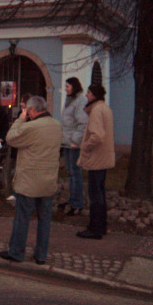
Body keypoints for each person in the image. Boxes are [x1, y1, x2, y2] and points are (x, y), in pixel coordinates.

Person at [0, 96, 62, 265]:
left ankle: (16, 252)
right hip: (48, 181)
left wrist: (20, 120)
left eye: (27, 110)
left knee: (22, 218)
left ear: (32, 110)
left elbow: (11, 138)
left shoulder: (31, 127)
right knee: (44, 220)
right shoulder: (56, 126)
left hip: (29, 181)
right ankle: (41, 255)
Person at [76, 84, 115, 240]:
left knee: (95, 195)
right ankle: (101, 225)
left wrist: (85, 146)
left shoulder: (97, 111)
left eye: (89, 92)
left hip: (96, 158)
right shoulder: (104, 108)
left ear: (95, 95)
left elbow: (97, 136)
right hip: (103, 157)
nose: (86, 95)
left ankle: (95, 228)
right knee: (100, 192)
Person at [59, 77, 88, 216]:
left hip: (73, 144)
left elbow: (83, 123)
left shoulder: (80, 101)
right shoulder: (70, 100)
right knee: (71, 173)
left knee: (75, 173)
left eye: (68, 86)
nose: (66, 89)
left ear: (74, 87)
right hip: (67, 141)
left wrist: (75, 141)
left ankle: (78, 203)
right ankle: (73, 199)